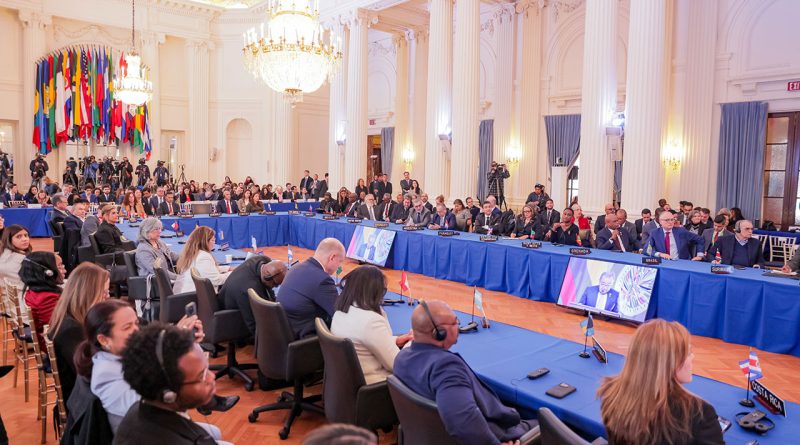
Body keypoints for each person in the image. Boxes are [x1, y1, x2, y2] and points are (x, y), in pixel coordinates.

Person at [74, 300, 233, 437]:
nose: (136, 330)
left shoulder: (123, 356)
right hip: (145, 435)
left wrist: (187, 342)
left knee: (214, 432)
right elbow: (154, 403)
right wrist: (176, 341)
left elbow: (189, 369)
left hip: (155, 427)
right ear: (104, 339)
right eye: (127, 327)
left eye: (136, 324)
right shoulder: (105, 375)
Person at [394, 300, 538, 445]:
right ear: (439, 332)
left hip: (428, 436)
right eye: (455, 322)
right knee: (553, 423)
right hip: (497, 434)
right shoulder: (446, 368)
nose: (459, 326)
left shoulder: (401, 357)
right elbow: (462, 421)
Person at [597, 319, 724, 445]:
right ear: (671, 362)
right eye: (689, 352)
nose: (693, 357)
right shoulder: (699, 414)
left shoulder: (611, 393)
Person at [115, 324, 231, 445]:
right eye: (201, 376)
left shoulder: (142, 407)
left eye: (207, 368)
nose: (212, 377)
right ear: (169, 395)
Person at [331, 266, 413, 384]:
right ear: (375, 291)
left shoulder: (341, 311)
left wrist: (396, 340)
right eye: (383, 290)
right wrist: (412, 344)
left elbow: (364, 341)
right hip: (374, 387)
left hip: (345, 384)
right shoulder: (372, 321)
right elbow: (397, 365)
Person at [48, 262, 109, 404]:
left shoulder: (72, 317)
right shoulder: (72, 330)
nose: (107, 297)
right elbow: (91, 373)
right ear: (88, 293)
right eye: (104, 292)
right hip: (84, 405)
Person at [277, 238, 344, 338]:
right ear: (332, 257)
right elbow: (339, 314)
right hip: (304, 337)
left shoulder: (295, 267)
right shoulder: (322, 280)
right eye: (340, 261)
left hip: (284, 330)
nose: (339, 266)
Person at [219, 256, 287, 335]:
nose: (275, 287)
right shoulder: (249, 290)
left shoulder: (263, 260)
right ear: (267, 278)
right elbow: (252, 323)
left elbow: (269, 291)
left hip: (235, 297)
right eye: (275, 284)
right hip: (232, 315)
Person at [20, 251, 66, 350]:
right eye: (60, 266)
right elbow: (60, 327)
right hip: (55, 346)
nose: (64, 270)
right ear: (48, 272)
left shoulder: (34, 290)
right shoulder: (46, 298)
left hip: (50, 340)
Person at [173, 227, 230, 294]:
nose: (214, 243)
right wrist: (233, 273)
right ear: (204, 242)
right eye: (212, 240)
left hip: (187, 294)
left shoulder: (193, 253)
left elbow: (206, 269)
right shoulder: (203, 256)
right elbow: (217, 280)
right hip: (196, 298)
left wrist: (228, 268)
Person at [0, 225, 32, 289]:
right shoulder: (22, 259)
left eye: (26, 235)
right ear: (9, 239)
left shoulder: (3, 253)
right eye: (18, 237)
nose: (24, 239)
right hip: (22, 294)